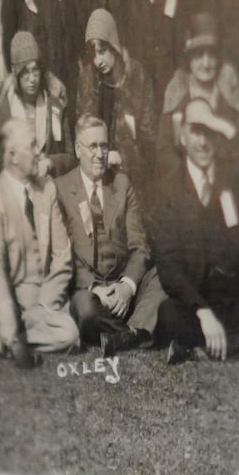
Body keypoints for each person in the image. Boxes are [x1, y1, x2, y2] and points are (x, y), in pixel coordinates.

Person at [150, 99, 239, 364]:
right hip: (194, 305)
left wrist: (235, 223)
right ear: (182, 137)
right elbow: (169, 266)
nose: (203, 142)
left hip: (234, 302)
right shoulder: (168, 191)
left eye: (209, 133)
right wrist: (203, 311)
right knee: (168, 314)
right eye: (196, 131)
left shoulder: (233, 183)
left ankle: (207, 350)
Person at [54, 117, 164, 353]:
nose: (100, 154)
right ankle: (137, 332)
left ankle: (126, 333)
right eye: (92, 146)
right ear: (77, 149)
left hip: (123, 281)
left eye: (104, 146)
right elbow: (63, 254)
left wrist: (127, 285)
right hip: (91, 291)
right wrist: (94, 288)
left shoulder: (121, 184)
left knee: (161, 275)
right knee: (85, 310)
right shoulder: (61, 189)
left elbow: (139, 246)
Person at [0, 116, 79, 365]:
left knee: (70, 334)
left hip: (42, 298)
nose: (39, 152)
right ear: (13, 155)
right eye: (33, 146)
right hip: (12, 298)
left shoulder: (47, 189)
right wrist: (5, 307)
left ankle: (10, 339)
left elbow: (62, 256)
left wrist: (44, 305)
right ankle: (8, 330)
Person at [74, 9, 159, 191]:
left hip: (132, 178)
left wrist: (123, 157)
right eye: (93, 54)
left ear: (114, 46)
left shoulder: (137, 78)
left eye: (102, 51)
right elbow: (82, 134)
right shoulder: (88, 80)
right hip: (95, 176)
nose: (98, 61)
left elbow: (149, 141)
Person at [161, 13, 239, 155]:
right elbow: (165, 156)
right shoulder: (177, 95)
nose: (206, 64)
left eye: (212, 55)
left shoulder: (230, 97)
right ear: (189, 59)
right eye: (198, 55)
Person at [0, 30, 73, 177]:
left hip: (50, 184)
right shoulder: (4, 111)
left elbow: (71, 157)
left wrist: (50, 163)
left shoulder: (55, 106)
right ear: (15, 72)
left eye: (35, 70)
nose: (32, 79)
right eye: (25, 72)